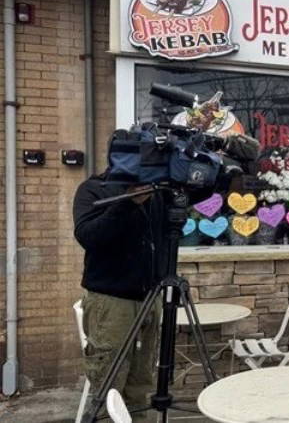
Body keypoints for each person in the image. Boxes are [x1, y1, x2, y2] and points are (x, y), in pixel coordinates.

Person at [73, 175, 165, 421]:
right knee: (109, 386)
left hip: (150, 298)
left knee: (141, 384)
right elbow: (87, 236)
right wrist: (128, 202)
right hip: (111, 301)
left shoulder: (157, 190)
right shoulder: (94, 189)